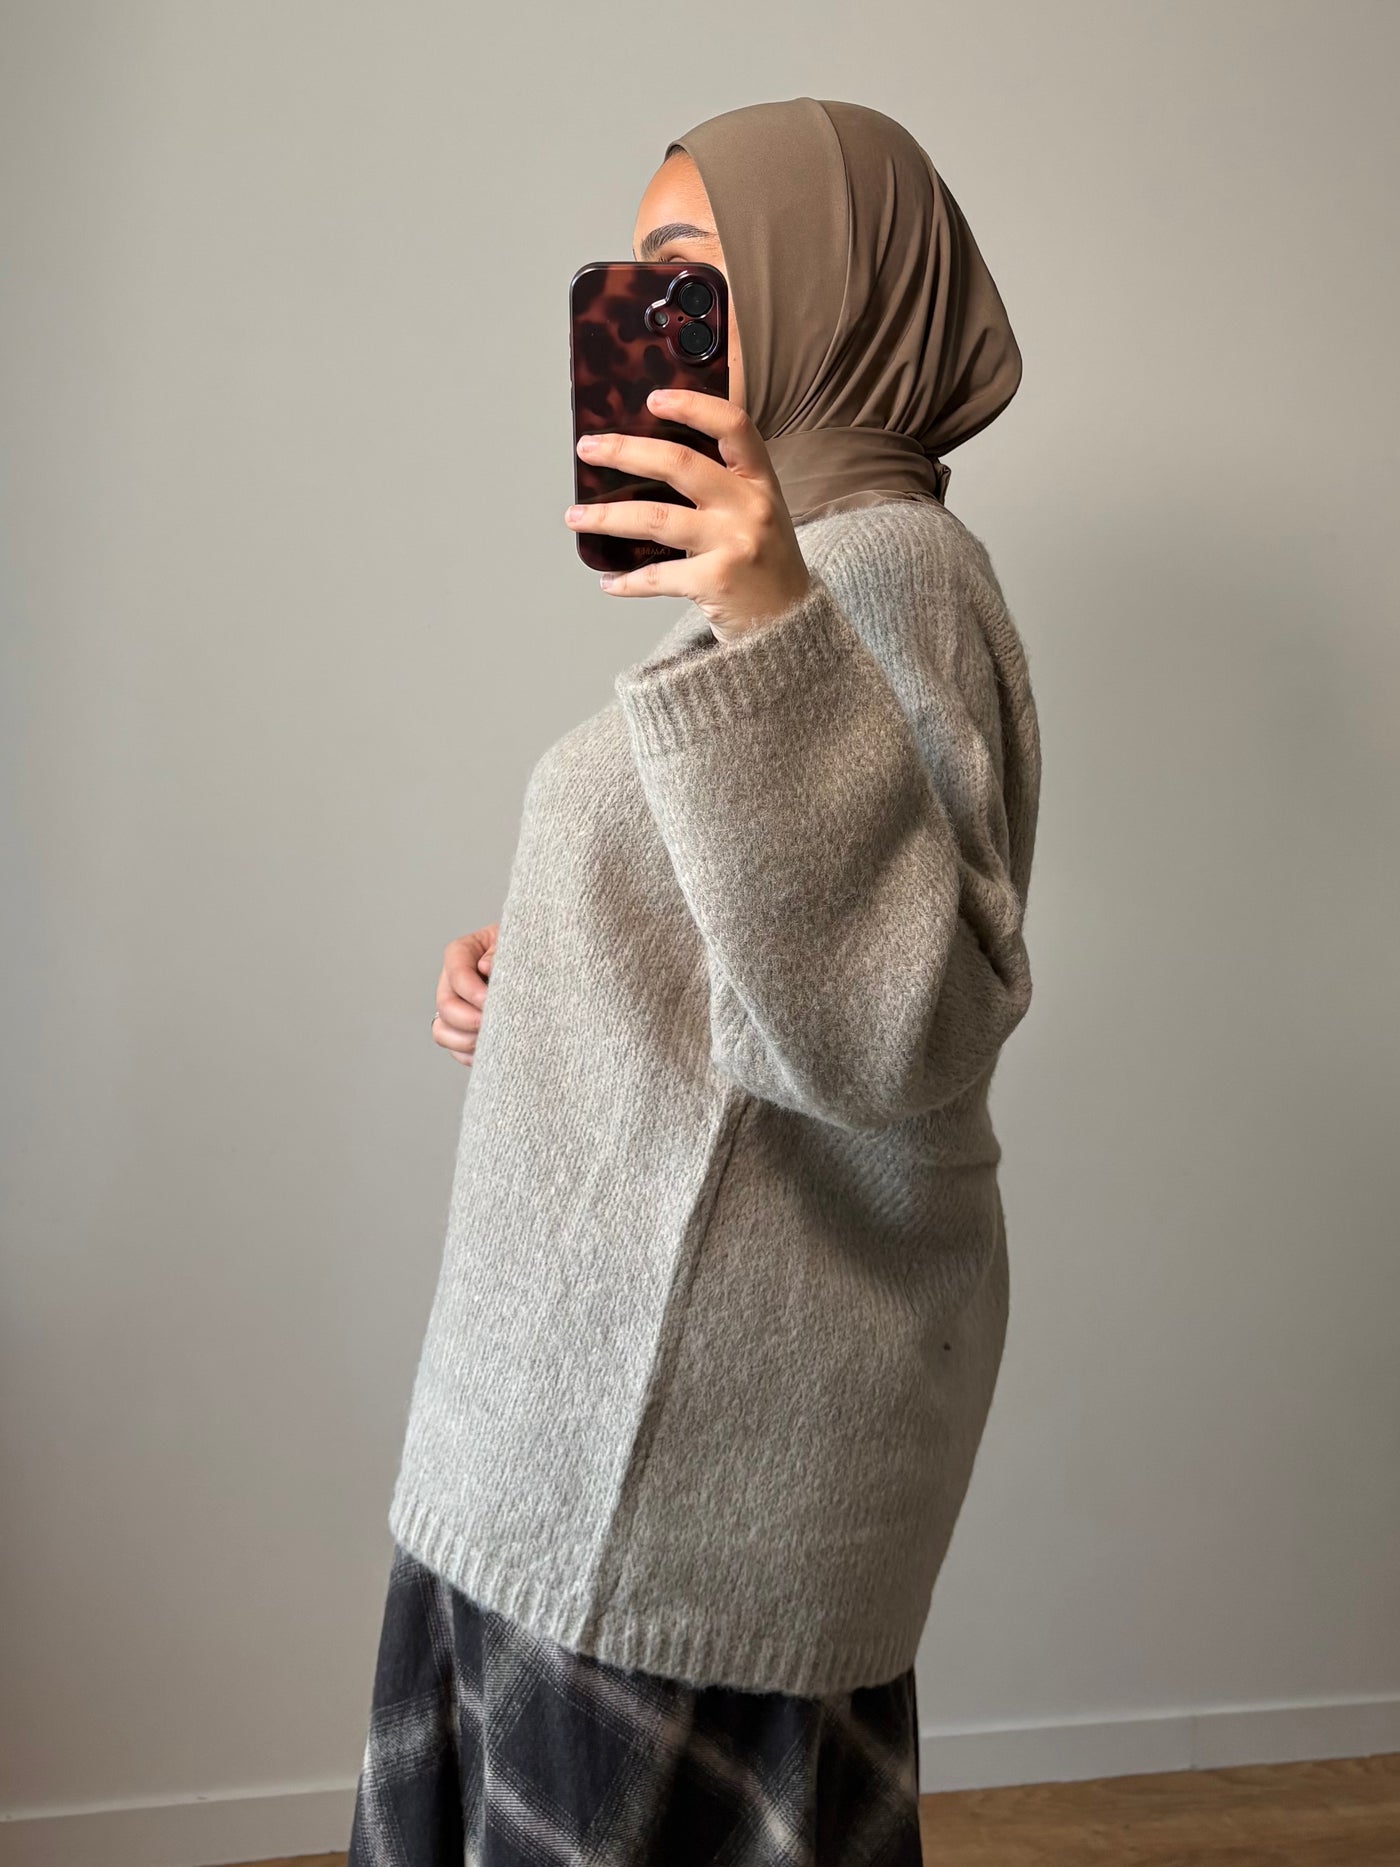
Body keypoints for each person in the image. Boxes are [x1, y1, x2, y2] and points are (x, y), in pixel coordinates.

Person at [348, 95, 1040, 1866]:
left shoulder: (881, 569)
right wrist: (550, 954)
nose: (664, 324)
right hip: (600, 1435)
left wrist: (771, 611)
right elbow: (758, 912)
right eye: (647, 281)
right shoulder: (802, 561)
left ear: (832, 285)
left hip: (659, 1481)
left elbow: (897, 1025)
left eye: (697, 279)